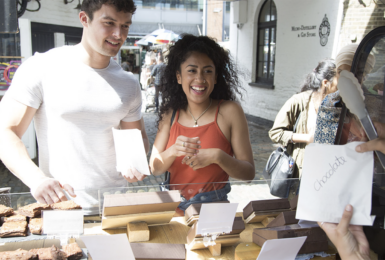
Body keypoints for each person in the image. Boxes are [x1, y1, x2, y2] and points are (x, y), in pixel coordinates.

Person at [0, 0, 149, 213]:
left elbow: (137, 137)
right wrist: (37, 180)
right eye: (109, 23)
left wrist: (135, 161)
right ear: (84, 19)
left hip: (115, 206)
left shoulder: (128, 83)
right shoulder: (42, 67)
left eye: (125, 25)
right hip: (62, 206)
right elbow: (5, 131)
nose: (119, 33)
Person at [149, 34, 255, 214]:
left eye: (207, 71)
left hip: (214, 212)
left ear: (215, 77)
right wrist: (174, 150)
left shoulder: (230, 111)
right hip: (174, 210)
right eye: (191, 70)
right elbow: (155, 168)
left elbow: (248, 174)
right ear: (179, 76)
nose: (200, 78)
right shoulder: (170, 114)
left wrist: (218, 156)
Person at [269, 59, 337, 178]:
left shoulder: (341, 106)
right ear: (326, 83)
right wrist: (308, 138)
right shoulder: (298, 101)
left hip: (328, 171)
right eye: (341, 80)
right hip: (301, 173)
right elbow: (275, 133)